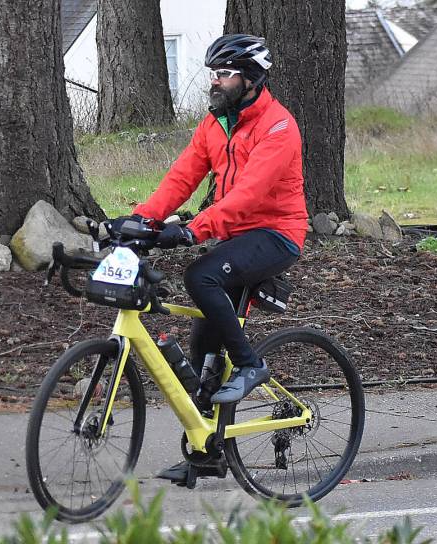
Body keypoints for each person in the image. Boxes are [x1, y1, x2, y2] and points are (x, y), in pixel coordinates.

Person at [114, 34, 309, 483]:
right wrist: (142, 221)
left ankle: (251, 365)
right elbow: (181, 178)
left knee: (200, 275)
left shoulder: (278, 127)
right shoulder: (215, 123)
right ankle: (209, 451)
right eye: (214, 74)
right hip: (236, 232)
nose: (215, 82)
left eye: (224, 73)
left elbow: (248, 196)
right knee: (205, 338)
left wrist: (191, 229)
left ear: (251, 79)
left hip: (276, 233)